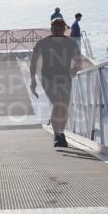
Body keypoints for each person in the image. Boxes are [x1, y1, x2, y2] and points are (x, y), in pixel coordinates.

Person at [30, 17, 83, 147]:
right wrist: (33, 81)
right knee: (57, 102)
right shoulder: (42, 43)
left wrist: (75, 70)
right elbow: (33, 61)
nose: (58, 31)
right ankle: (56, 135)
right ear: (51, 29)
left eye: (60, 28)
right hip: (48, 77)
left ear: (64, 29)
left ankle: (61, 132)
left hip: (65, 77)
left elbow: (78, 60)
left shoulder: (71, 43)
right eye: (55, 28)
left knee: (64, 106)